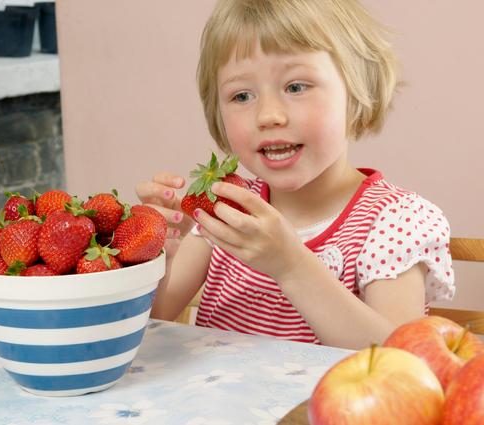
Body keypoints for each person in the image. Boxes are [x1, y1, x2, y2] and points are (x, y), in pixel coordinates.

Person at [135, 0, 454, 350]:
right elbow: (154, 321)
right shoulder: (225, 209)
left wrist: (290, 265)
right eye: (242, 95)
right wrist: (155, 252)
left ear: (356, 91)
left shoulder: (396, 221)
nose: (268, 115)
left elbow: (400, 362)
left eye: (296, 87)